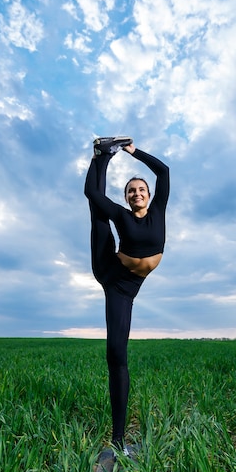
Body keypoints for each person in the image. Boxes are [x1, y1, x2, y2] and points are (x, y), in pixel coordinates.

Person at [84, 136, 170, 454]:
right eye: (130, 190)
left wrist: (134, 153)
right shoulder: (122, 215)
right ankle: (100, 155)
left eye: (140, 189)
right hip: (111, 273)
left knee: (118, 354)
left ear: (148, 195)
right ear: (127, 197)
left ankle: (119, 439)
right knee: (96, 209)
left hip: (128, 290)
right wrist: (107, 158)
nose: (136, 193)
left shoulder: (159, 210)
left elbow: (164, 171)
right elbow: (93, 192)